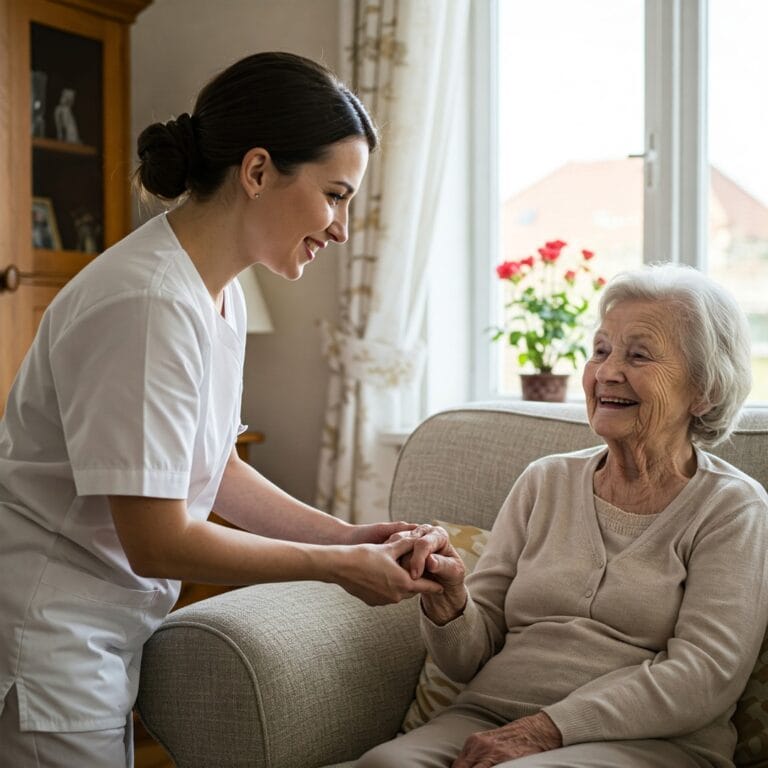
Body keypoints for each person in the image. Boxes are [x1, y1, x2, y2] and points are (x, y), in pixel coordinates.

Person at [0, 52, 442, 768]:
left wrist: (347, 536)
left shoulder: (216, 292)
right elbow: (157, 537)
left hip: (96, 632)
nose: (341, 229)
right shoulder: (146, 302)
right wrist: (335, 569)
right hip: (49, 632)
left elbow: (216, 470)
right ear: (258, 171)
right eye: (335, 194)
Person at [359, 264, 768, 768]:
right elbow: (467, 659)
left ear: (704, 388)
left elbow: (705, 675)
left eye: (638, 355)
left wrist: (548, 730)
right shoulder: (544, 480)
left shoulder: (731, 507)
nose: (607, 371)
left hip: (648, 742)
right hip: (486, 717)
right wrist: (450, 602)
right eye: (600, 350)